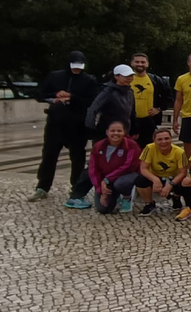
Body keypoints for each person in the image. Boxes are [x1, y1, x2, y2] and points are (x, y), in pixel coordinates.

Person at [30, 50, 99, 204]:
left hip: (77, 124)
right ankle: (42, 187)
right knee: (49, 155)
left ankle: (76, 188)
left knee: (77, 157)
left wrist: (72, 98)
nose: (76, 69)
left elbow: (92, 100)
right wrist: (55, 96)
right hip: (55, 123)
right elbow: (40, 94)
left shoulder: (89, 80)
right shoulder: (55, 76)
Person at [79, 121, 141, 214]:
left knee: (121, 183)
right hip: (106, 180)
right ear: (107, 132)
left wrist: (107, 179)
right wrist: (100, 188)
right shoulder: (98, 146)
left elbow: (129, 165)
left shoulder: (131, 145)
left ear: (124, 132)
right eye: (113, 131)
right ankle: (115, 196)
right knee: (103, 209)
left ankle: (127, 197)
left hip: (125, 176)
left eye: (119, 131)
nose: (116, 133)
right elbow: (93, 169)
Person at [135, 128, 188, 217]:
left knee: (186, 182)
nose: (163, 142)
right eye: (160, 139)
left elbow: (183, 172)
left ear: (171, 139)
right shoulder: (149, 148)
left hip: (173, 178)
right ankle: (149, 204)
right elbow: (143, 168)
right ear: (154, 140)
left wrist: (170, 185)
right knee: (140, 180)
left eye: (166, 138)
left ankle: (176, 197)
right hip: (157, 176)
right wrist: (155, 179)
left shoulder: (179, 152)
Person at [128, 53, 172, 149]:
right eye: (137, 62)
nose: (140, 64)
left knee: (148, 149)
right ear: (132, 63)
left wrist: (159, 108)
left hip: (148, 121)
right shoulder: (126, 79)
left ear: (147, 64)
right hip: (129, 120)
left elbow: (169, 98)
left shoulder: (156, 80)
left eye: (143, 62)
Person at [86, 64, 136, 136]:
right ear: (116, 76)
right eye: (126, 76)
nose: (130, 78)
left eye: (131, 76)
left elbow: (132, 112)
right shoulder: (108, 91)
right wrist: (91, 128)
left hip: (125, 131)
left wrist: (134, 129)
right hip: (107, 132)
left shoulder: (130, 91)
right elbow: (93, 109)